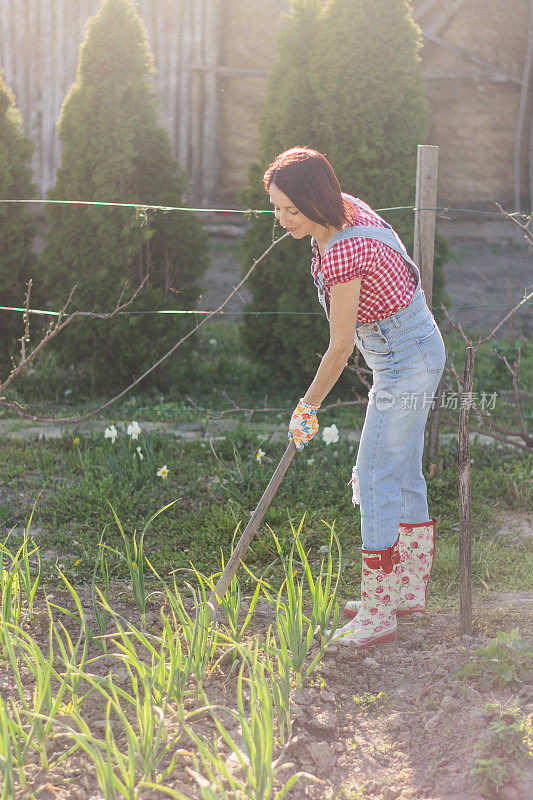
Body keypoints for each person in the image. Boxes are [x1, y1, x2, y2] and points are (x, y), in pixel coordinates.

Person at [264, 146, 446, 649]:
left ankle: (378, 610)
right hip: (416, 352)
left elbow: (341, 346)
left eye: (291, 211)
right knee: (403, 473)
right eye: (276, 208)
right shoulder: (344, 208)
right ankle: (405, 592)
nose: (282, 221)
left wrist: (307, 406)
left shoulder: (344, 250)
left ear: (315, 201)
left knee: (374, 479)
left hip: (406, 367)